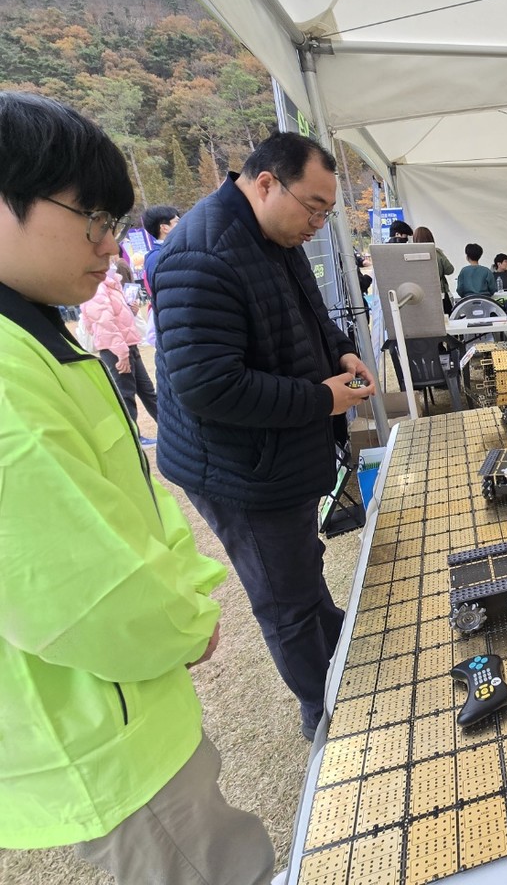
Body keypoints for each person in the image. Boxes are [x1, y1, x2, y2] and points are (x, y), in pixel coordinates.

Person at [0, 91, 275, 884]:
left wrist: (187, 595)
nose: (106, 244)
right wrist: (186, 622)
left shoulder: (39, 331)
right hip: (96, 729)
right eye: (88, 217)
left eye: (113, 225)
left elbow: (133, 502)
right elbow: (73, 588)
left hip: (120, 707)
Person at [150, 130, 377, 743]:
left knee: (302, 571)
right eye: (314, 208)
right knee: (285, 600)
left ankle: (340, 668)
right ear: (267, 182)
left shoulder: (274, 233)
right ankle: (325, 713)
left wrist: (342, 351)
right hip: (240, 469)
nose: (318, 223)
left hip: (281, 452)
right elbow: (210, 387)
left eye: (327, 213)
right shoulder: (200, 254)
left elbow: (307, 314)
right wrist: (321, 398)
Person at [79, 260, 160, 444]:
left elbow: (116, 317)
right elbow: (103, 323)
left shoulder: (112, 285)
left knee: (147, 390)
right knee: (126, 394)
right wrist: (121, 352)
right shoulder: (98, 289)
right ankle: (134, 438)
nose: (112, 263)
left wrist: (131, 310)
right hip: (116, 348)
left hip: (128, 345)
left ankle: (169, 429)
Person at [140, 204, 179, 299]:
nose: (183, 225)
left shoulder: (168, 252)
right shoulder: (157, 257)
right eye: (177, 222)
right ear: (164, 228)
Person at [411, 225, 453, 313]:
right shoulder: (437, 253)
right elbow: (450, 270)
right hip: (439, 292)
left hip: (420, 294)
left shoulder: (411, 256)